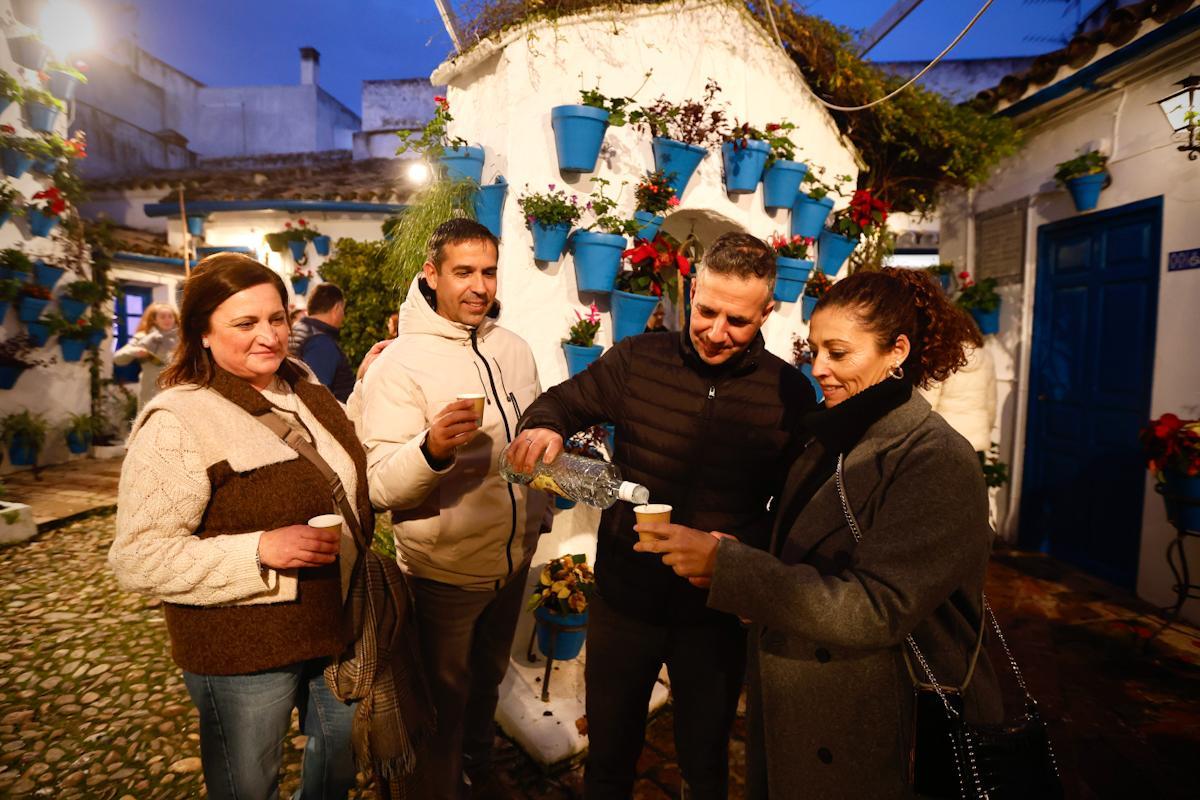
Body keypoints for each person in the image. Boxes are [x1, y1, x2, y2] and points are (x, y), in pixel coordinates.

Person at [635, 267, 1005, 798]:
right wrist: (741, 552)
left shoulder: (934, 459)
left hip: (876, 729)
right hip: (804, 705)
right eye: (814, 351)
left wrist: (730, 569)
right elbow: (805, 548)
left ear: (896, 351)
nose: (820, 370)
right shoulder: (833, 436)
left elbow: (877, 608)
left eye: (839, 353)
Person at [511, 232, 817, 800]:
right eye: (706, 311)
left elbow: (796, 511)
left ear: (768, 313)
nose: (716, 332)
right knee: (608, 759)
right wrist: (545, 425)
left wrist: (745, 543)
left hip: (716, 613)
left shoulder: (790, 394)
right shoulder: (635, 360)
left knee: (704, 765)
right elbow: (560, 401)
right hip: (625, 604)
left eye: (738, 321)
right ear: (691, 289)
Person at [107, 253, 421, 800]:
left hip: (335, 624)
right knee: (249, 784)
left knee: (340, 761)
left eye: (277, 319)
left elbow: (347, 469)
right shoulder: (179, 421)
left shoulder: (302, 385)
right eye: (245, 323)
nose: (269, 337)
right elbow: (136, 557)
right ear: (202, 332)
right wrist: (259, 550)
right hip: (241, 654)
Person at [351, 218, 550, 800]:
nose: (479, 287)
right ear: (431, 274)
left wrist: (547, 495)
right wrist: (432, 448)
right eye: (463, 272)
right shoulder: (399, 363)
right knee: (439, 703)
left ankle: (480, 767)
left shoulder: (511, 347)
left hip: (512, 560)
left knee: (487, 682)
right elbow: (378, 486)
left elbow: (533, 438)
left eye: (488, 272)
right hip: (443, 573)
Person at [919, 339, 996, 453]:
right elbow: (991, 402)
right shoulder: (986, 357)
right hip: (976, 438)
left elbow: (927, 403)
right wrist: (987, 429)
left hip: (947, 437)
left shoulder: (942, 357)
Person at [288, 282, 356, 402]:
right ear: (337, 308)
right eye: (343, 310)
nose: (343, 315)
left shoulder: (298, 329)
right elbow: (318, 397)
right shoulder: (320, 342)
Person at [112, 302, 179, 411]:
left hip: (176, 391)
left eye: (170, 316)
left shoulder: (182, 338)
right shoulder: (143, 338)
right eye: (162, 317)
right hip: (151, 392)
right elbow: (118, 358)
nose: (167, 320)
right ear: (154, 320)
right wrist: (135, 351)